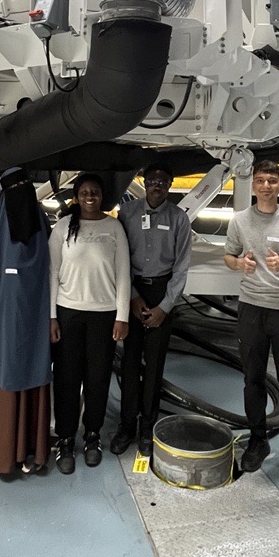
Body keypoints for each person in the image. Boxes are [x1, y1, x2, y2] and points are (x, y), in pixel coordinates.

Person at [223, 160, 279, 473]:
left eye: (272, 181)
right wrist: (239, 265)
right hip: (251, 308)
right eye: (260, 180)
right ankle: (258, 439)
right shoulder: (239, 220)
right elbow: (229, 255)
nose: (266, 186)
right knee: (253, 380)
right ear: (254, 184)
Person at [0, 168, 52, 475]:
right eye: (14, 187)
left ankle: (29, 449)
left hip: (32, 314)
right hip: (6, 315)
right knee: (6, 372)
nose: (21, 192)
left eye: (24, 186)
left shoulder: (36, 221)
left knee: (29, 369)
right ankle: (3, 452)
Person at [49, 173, 130, 473]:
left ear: (102, 196)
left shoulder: (113, 228)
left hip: (104, 314)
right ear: (77, 196)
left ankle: (92, 435)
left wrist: (122, 315)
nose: (90, 196)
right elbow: (51, 273)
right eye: (84, 192)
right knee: (67, 378)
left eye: (95, 191)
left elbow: (123, 274)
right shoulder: (62, 228)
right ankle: (66, 438)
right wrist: (51, 317)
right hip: (68, 312)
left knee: (97, 378)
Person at [110, 162, 192, 457]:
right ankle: (126, 426)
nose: (157, 185)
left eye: (163, 181)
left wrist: (165, 307)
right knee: (129, 365)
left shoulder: (179, 219)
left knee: (154, 367)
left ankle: (148, 428)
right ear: (144, 183)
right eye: (152, 180)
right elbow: (118, 258)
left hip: (162, 291)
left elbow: (181, 268)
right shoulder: (127, 214)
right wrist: (131, 297)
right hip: (131, 290)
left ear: (169, 186)